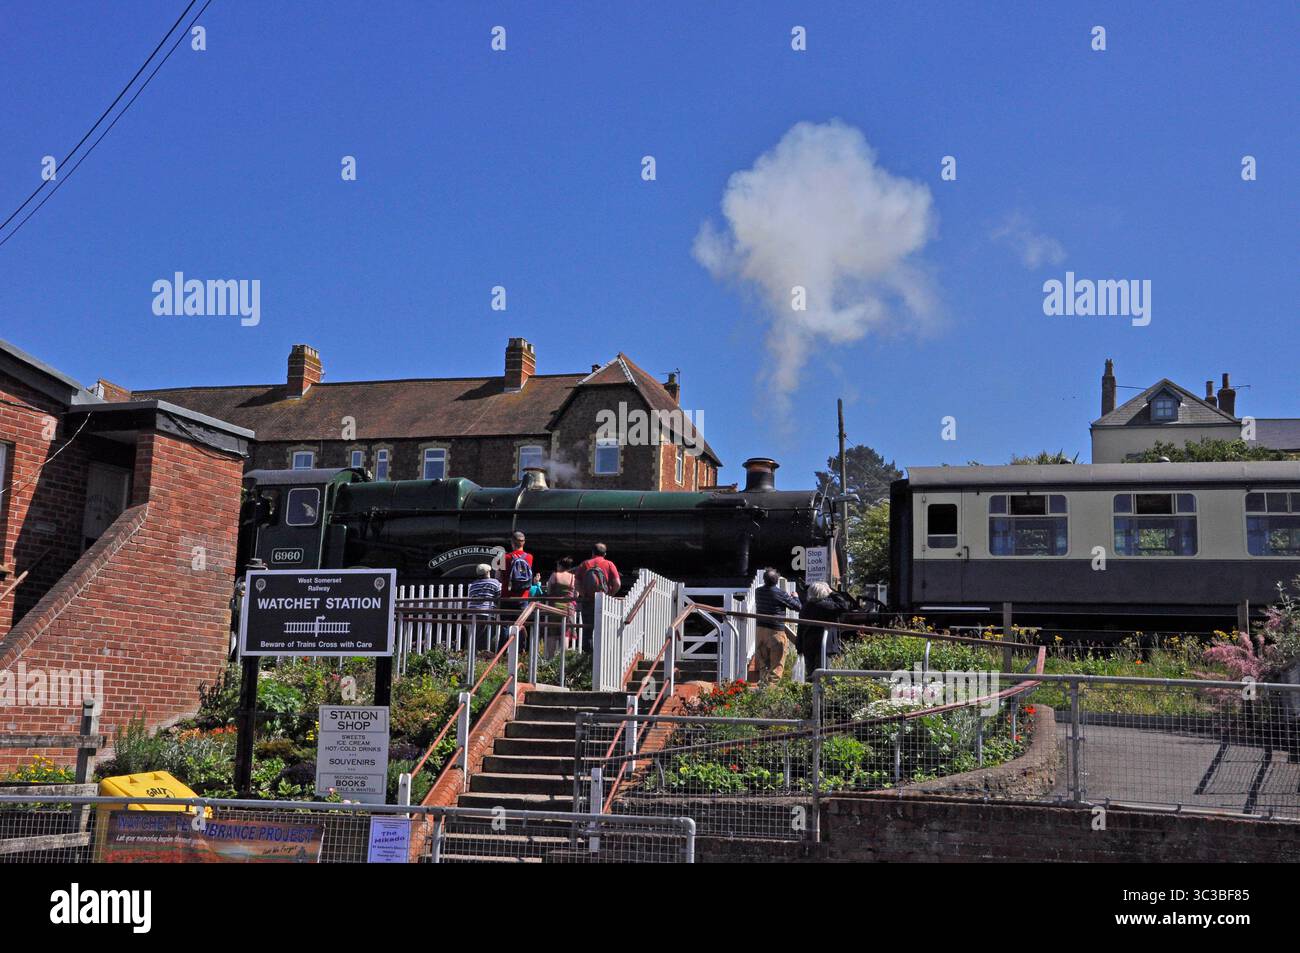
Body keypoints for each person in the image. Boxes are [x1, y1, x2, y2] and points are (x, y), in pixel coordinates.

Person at [753, 568, 801, 682]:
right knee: (776, 667)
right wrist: (796, 597)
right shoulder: (780, 593)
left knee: (763, 666)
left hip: (760, 631)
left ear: (764, 580)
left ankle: (762, 692)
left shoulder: (758, 592)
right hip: (775, 632)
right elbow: (798, 607)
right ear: (777, 580)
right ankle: (771, 695)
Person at [576, 542, 622, 652]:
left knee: (587, 628)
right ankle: (603, 653)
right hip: (604, 602)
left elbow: (576, 584)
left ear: (592, 552)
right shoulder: (609, 564)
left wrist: (585, 595)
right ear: (605, 554)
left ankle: (587, 656)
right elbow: (617, 584)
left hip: (588, 602)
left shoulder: (584, 564)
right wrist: (609, 596)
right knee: (604, 628)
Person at [797, 582, 842, 679]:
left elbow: (800, 627)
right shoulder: (826, 606)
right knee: (823, 674)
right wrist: (832, 592)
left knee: (811, 674)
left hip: (808, 644)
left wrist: (799, 646)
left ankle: (811, 693)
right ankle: (820, 693)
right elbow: (843, 605)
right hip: (823, 645)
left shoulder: (806, 607)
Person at [545, 556, 579, 652]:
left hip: (554, 608)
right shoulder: (573, 578)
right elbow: (576, 594)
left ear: (560, 566)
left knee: (552, 634)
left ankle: (549, 661)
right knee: (565, 633)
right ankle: (562, 660)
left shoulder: (554, 576)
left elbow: (549, 591)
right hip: (568, 609)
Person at [465, 563, 502, 650]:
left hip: (471, 612)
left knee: (473, 636)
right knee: (485, 637)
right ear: (488, 572)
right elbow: (499, 596)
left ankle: (471, 654)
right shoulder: (495, 582)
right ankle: (481, 657)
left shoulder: (473, 584)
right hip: (485, 612)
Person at [499, 531, 534, 606]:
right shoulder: (530, 557)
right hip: (523, 597)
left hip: (507, 596)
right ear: (524, 542)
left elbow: (498, 577)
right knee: (522, 617)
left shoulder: (504, 558)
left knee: (506, 617)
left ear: (512, 542)